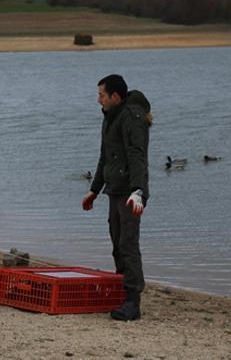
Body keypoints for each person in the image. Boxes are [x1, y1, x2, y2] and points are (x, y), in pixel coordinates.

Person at [82, 74, 152, 321]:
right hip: (114, 189)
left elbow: (137, 156)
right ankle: (123, 293)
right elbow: (105, 155)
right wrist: (94, 189)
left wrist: (139, 191)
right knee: (117, 242)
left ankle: (133, 301)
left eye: (101, 95)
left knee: (128, 244)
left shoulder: (132, 117)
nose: (98, 99)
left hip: (130, 193)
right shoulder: (110, 117)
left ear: (115, 96)